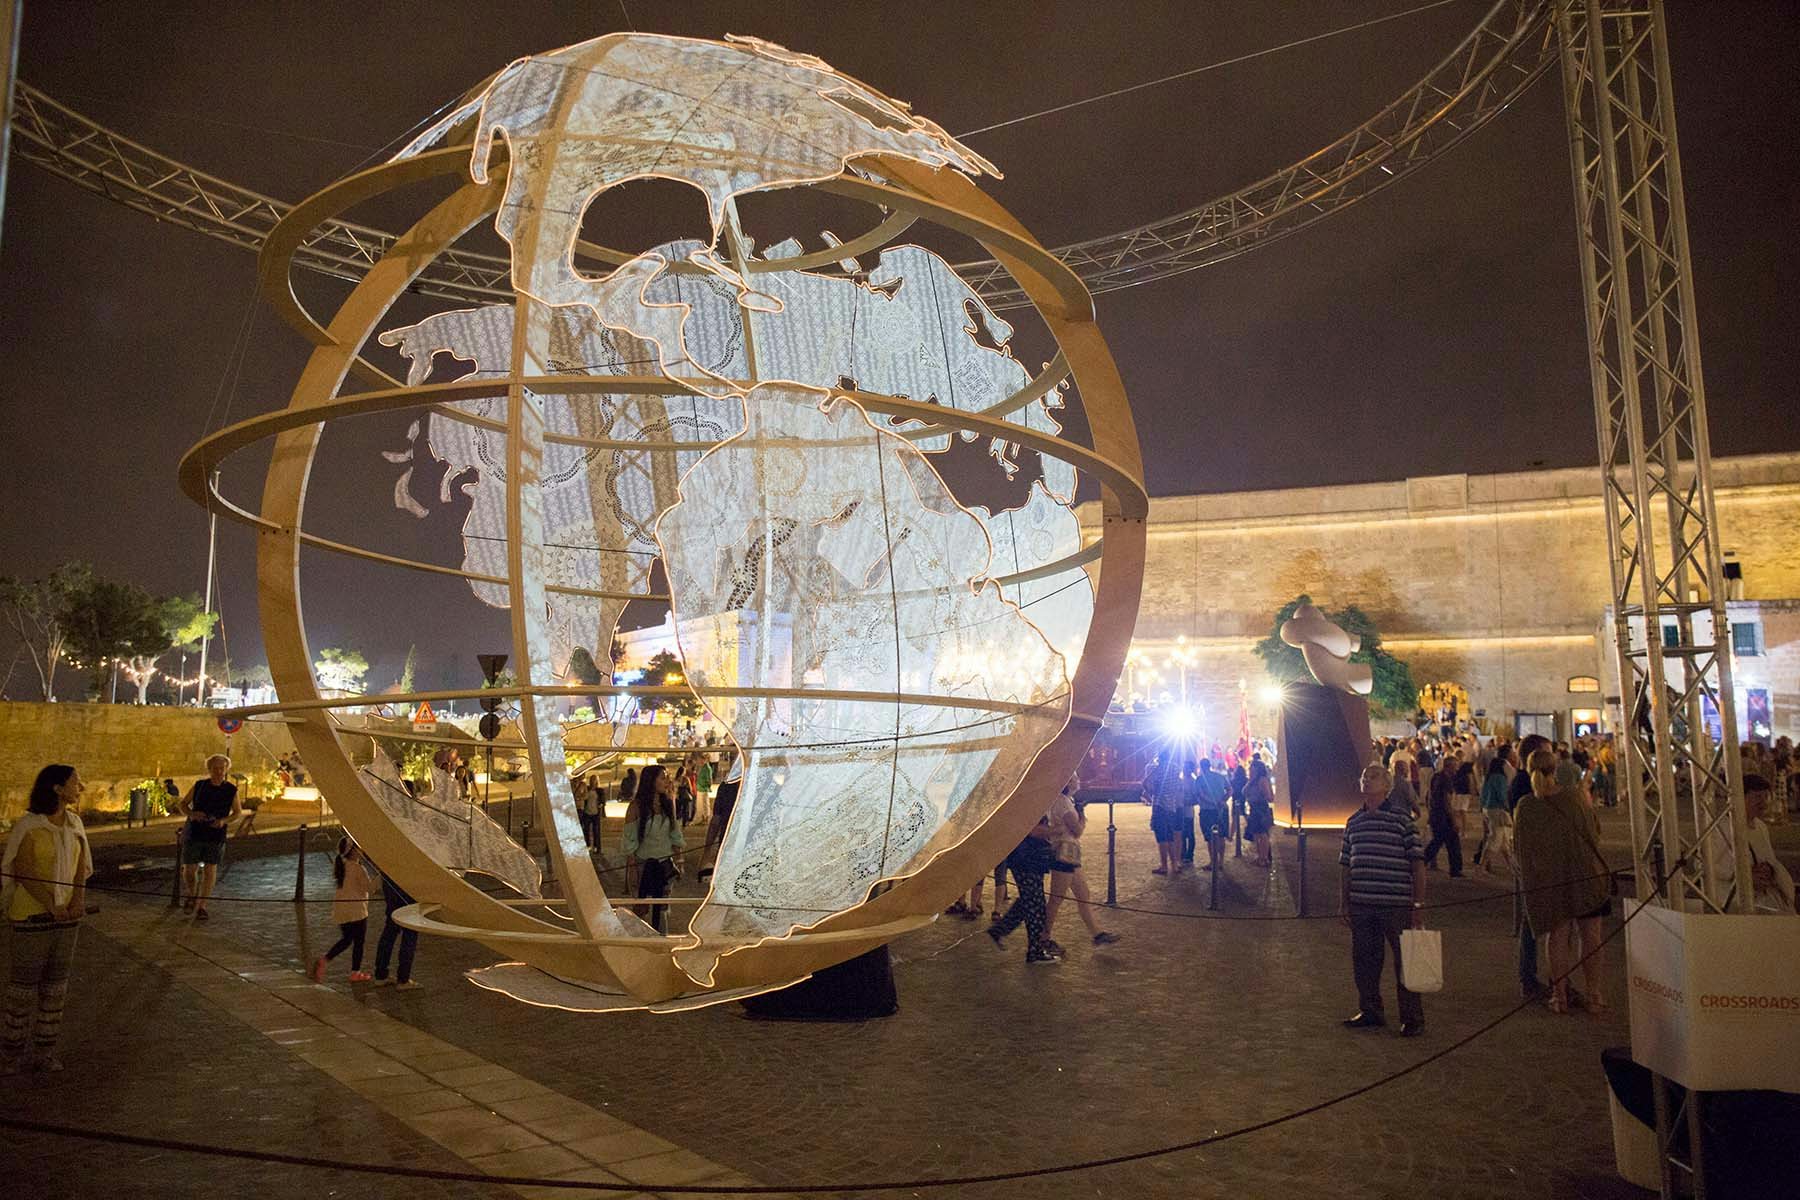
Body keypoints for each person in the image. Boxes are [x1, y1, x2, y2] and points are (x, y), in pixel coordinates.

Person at [1, 765, 93, 1073]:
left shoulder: (75, 824)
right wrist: (51, 904)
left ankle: (45, 1050)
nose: (81, 787)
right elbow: (23, 870)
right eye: (75, 782)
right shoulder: (30, 826)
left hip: (67, 917)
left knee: (56, 988)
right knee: (22, 989)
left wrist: (77, 899)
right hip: (31, 916)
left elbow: (81, 866)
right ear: (56, 788)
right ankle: (10, 1053)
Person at [1513, 751, 1613, 1013]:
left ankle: (1559, 997)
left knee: (1557, 937)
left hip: (1551, 881)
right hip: (1585, 876)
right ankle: (1594, 995)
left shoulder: (1525, 807)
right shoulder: (1575, 798)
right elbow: (1594, 831)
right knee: (1591, 936)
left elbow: (1521, 848)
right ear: (1554, 769)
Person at [1339, 762, 1426, 1036]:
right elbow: (1345, 865)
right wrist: (1344, 901)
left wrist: (1417, 903)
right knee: (1364, 959)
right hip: (1363, 902)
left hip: (1395, 902)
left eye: (1374, 777)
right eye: (1364, 777)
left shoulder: (1402, 820)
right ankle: (1370, 1009)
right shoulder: (1354, 822)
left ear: (1387, 786)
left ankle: (1412, 1017)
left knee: (1405, 962)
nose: (1368, 781)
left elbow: (1417, 864)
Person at [1045, 781, 1120, 949]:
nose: (1077, 782)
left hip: (1070, 854)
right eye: (1074, 779)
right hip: (1063, 854)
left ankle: (1097, 933)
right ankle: (1043, 937)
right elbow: (1077, 830)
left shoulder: (1061, 800)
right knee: (1056, 899)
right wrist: (1081, 813)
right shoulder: (1062, 802)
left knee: (1083, 894)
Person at [1507, 733, 1552, 998]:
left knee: (1532, 919)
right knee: (1532, 920)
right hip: (1533, 860)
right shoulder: (1525, 785)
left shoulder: (1520, 782)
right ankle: (1529, 977)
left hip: (1530, 857)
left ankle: (1532, 976)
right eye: (1547, 754)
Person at [987, 808, 1060, 964]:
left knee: (1028, 900)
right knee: (1036, 905)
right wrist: (1060, 829)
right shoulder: (1032, 803)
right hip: (1026, 858)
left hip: (1027, 857)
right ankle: (1035, 952)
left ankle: (999, 930)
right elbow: (1033, 830)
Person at [179, 754, 241, 921]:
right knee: (189, 869)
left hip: (215, 833)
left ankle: (202, 906)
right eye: (215, 768)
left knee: (210, 869)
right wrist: (192, 814)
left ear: (226, 770)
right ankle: (192, 894)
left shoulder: (230, 790)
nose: (219, 772)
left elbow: (237, 812)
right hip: (195, 831)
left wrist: (223, 821)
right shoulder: (200, 786)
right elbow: (183, 804)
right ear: (209, 769)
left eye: (222, 768)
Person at [623, 765, 684, 933]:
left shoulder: (667, 803)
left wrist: (679, 859)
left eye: (667, 777)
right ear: (651, 781)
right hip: (643, 864)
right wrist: (632, 869)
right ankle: (637, 943)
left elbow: (674, 833)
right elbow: (629, 840)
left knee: (662, 907)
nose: (667, 781)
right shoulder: (636, 807)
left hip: (664, 863)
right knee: (641, 908)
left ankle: (661, 941)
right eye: (662, 777)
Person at [311, 836, 377, 983]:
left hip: (342, 908)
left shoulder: (342, 866)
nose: (361, 850)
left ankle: (325, 959)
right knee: (359, 942)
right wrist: (381, 876)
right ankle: (355, 972)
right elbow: (370, 889)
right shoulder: (359, 868)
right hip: (357, 910)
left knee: (347, 939)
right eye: (358, 848)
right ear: (353, 851)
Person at [1743, 774, 1798, 913]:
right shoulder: (1721, 828)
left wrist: (1770, 869)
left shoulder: (1761, 827)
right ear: (1741, 798)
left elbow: (1770, 858)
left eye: (1765, 797)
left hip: (1766, 894)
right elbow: (1710, 865)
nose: (1763, 803)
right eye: (1757, 797)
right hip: (1743, 897)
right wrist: (1744, 875)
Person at [372, 866, 421, 989]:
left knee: (390, 931)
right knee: (410, 934)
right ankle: (403, 979)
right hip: (408, 885)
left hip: (390, 882)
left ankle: (381, 975)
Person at [699, 750, 739, 882]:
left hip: (729, 845)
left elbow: (716, 821)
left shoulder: (727, 787)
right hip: (732, 846)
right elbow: (716, 820)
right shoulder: (727, 787)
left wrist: (707, 851)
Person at [1474, 746, 1515, 872]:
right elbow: (1502, 796)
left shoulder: (1489, 777)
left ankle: (1513, 867)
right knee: (1496, 838)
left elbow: (1483, 794)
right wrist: (1508, 807)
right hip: (1498, 809)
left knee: (1503, 841)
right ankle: (1481, 865)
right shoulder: (1501, 778)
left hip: (1488, 808)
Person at [1145, 750, 1183, 876]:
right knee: (1170, 836)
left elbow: (1145, 782)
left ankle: (1164, 865)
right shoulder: (1176, 768)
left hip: (1160, 805)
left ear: (1160, 759)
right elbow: (1179, 785)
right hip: (1172, 806)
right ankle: (1174, 864)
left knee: (1161, 837)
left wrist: (1151, 793)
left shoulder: (1159, 768)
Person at [1422, 768, 1463, 877]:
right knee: (1450, 842)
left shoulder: (1436, 778)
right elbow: (1447, 802)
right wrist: (1454, 819)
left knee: (1438, 841)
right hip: (1444, 817)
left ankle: (1422, 862)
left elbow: (1429, 797)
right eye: (1454, 767)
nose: (1456, 770)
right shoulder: (1446, 782)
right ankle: (1455, 869)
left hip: (1436, 815)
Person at [1191, 758, 1229, 874]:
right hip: (1222, 809)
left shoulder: (1200, 779)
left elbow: (1200, 795)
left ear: (1201, 767)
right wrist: (1223, 800)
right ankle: (1221, 861)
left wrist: (1213, 802)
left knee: (1210, 837)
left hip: (1207, 810)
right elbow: (1230, 789)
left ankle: (1213, 862)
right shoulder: (1220, 777)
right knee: (1221, 836)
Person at [1245, 757, 1276, 870]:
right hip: (1254, 808)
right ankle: (1260, 856)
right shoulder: (1252, 780)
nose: (1250, 769)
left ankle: (1264, 858)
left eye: (1252, 768)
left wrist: (1261, 794)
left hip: (1261, 808)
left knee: (1262, 834)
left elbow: (1269, 797)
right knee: (1257, 834)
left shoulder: (1262, 780)